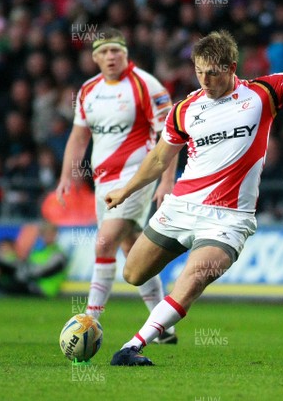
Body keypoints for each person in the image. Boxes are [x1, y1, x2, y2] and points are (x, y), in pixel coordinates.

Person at [104, 11, 283, 366]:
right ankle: (159, 319)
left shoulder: (262, 94)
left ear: (231, 66)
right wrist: (127, 190)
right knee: (134, 273)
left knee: (194, 278)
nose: (205, 79)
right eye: (199, 71)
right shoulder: (184, 110)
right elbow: (160, 159)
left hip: (229, 218)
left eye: (212, 72)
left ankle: (134, 345)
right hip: (181, 207)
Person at [55, 29, 178, 342]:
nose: (111, 57)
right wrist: (67, 174)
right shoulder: (87, 91)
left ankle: (88, 321)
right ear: (95, 57)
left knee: (104, 241)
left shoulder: (147, 85)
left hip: (136, 178)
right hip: (102, 181)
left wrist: (166, 181)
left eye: (116, 51)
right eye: (104, 52)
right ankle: (164, 326)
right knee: (132, 248)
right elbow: (79, 136)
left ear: (125, 53)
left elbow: (171, 138)